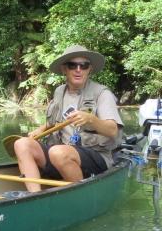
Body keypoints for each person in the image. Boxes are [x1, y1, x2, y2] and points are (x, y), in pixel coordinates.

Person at [14, 45, 123, 192]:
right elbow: (53, 122)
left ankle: (78, 195)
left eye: (84, 65)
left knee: (58, 152)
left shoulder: (102, 94)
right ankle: (35, 196)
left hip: (95, 156)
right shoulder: (59, 92)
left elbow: (112, 130)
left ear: (89, 69)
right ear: (64, 69)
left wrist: (91, 119)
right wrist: (39, 130)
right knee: (21, 144)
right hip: (60, 153)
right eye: (73, 65)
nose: (78, 69)